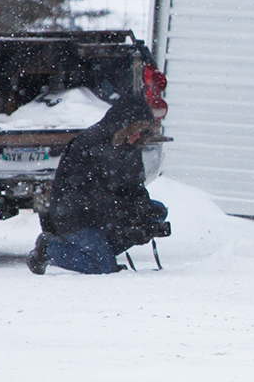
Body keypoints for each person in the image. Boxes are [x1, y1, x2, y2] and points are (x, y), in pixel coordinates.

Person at [27, 94, 169, 275]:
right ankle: (50, 247)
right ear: (122, 126)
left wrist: (140, 221)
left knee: (156, 212)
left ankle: (102, 250)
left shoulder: (129, 147)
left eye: (141, 131)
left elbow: (135, 188)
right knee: (102, 267)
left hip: (108, 214)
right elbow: (86, 195)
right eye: (133, 130)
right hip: (77, 217)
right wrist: (124, 217)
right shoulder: (89, 144)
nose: (136, 136)